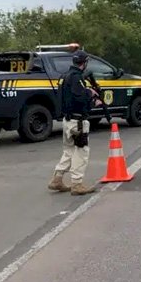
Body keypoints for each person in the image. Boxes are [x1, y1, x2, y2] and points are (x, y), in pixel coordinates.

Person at [47, 49, 102, 196]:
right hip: (78, 121)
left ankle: (57, 178)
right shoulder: (76, 78)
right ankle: (77, 184)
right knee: (81, 152)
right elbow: (79, 97)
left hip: (67, 120)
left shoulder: (65, 76)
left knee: (69, 151)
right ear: (84, 63)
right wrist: (91, 95)